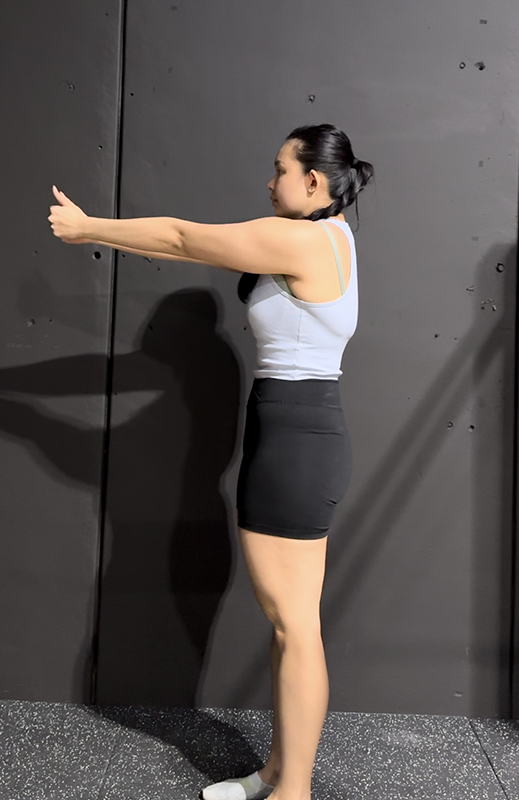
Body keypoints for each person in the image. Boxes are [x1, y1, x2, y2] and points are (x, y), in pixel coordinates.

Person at [48, 122, 374, 800]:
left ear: (312, 181)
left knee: (293, 625)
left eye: (279, 169)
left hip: (293, 444)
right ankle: (278, 774)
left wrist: (88, 229)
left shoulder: (301, 238)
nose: (269, 180)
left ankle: (293, 793)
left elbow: (179, 237)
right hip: (299, 435)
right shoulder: (335, 233)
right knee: (292, 625)